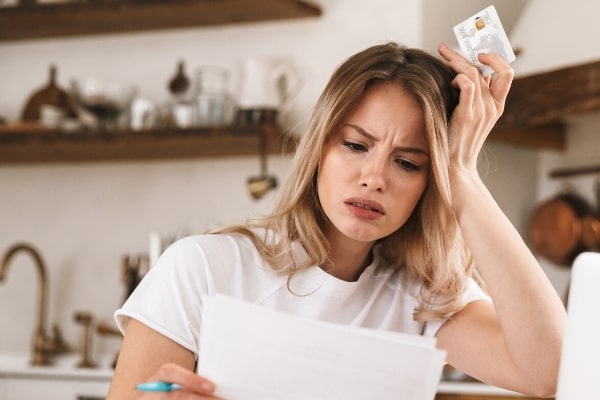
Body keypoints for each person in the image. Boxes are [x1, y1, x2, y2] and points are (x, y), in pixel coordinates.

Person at [106, 42, 566, 399]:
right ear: (321, 149)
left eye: (408, 163)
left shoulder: (421, 298)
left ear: (431, 183)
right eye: (356, 145)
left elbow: (549, 370)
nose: (374, 178)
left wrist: (462, 172)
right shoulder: (202, 268)